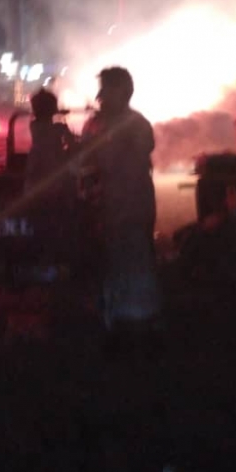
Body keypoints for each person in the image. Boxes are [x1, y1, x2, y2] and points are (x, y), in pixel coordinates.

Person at [80, 66, 160, 336]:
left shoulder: (136, 125)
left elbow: (126, 159)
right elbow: (85, 163)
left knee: (135, 267)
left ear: (124, 91)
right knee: (109, 268)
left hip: (131, 210)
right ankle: (114, 323)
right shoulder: (96, 124)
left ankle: (138, 327)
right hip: (108, 210)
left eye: (106, 90)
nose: (100, 97)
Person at [24, 87, 77, 196]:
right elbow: (72, 143)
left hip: (35, 166)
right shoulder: (58, 127)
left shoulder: (34, 125)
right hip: (53, 168)